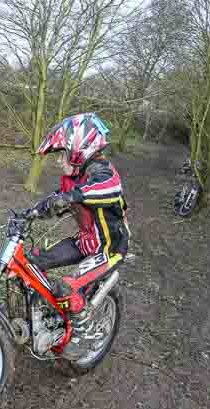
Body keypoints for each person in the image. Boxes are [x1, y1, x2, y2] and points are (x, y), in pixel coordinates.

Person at [31, 111, 130, 314]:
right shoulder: (75, 179)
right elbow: (56, 201)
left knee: (65, 289)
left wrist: (71, 197)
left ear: (79, 149)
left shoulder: (102, 172)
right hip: (84, 242)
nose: (59, 161)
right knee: (34, 262)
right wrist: (31, 213)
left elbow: (111, 188)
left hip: (109, 249)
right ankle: (41, 316)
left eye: (62, 154)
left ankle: (78, 322)